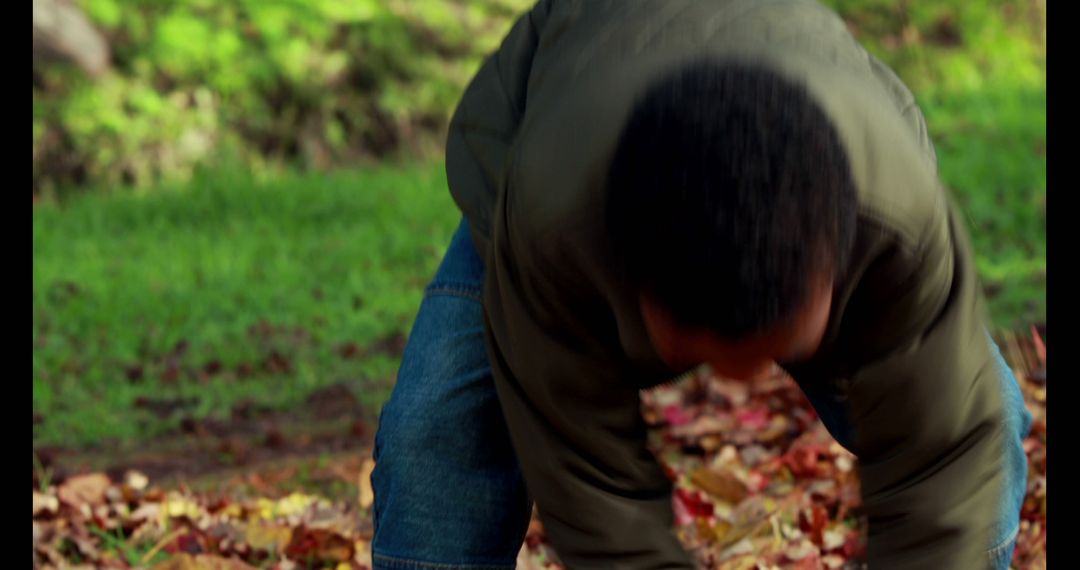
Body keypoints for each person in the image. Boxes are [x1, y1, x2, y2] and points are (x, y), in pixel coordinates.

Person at [369, 0, 1033, 568]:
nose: (740, 380)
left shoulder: (896, 215)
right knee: (437, 430)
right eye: (702, 344)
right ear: (633, 286)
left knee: (987, 415)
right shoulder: (554, 223)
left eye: (769, 340)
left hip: (824, 158)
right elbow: (592, 493)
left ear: (835, 271)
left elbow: (950, 457)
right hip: (553, 136)